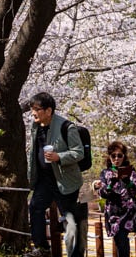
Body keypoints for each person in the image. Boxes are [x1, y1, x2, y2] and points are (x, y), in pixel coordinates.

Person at [26, 92, 85, 257]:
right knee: (35, 208)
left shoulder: (67, 127)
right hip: (44, 181)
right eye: (32, 109)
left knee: (70, 220)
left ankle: (74, 254)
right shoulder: (36, 127)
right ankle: (42, 249)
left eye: (37, 109)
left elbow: (79, 152)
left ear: (49, 110)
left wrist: (60, 157)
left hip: (65, 181)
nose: (33, 113)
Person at [93, 142, 136, 257]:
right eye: (113, 155)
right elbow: (102, 193)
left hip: (127, 211)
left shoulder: (131, 171)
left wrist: (127, 181)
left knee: (122, 238)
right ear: (109, 157)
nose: (116, 158)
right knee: (118, 240)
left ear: (124, 156)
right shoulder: (105, 173)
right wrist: (111, 184)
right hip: (113, 212)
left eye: (119, 155)